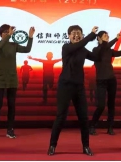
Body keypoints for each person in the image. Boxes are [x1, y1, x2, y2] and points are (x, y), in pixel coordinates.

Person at [48, 25, 100, 157]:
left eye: (79, 33)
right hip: (65, 85)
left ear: (82, 35)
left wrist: (102, 44)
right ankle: (52, 145)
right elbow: (78, 45)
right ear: (69, 36)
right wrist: (91, 35)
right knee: (61, 116)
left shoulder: (83, 49)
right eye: (74, 33)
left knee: (83, 117)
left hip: (79, 86)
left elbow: (96, 57)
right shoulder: (66, 47)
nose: (76, 35)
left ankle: (86, 146)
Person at [0, 25, 35, 139]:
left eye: (8, 31)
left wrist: (30, 37)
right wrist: (9, 35)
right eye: (5, 32)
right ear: (1, 34)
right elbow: (0, 45)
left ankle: (10, 130)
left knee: (11, 105)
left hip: (12, 79)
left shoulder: (13, 45)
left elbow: (27, 49)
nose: (7, 33)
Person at [89, 31, 121, 136]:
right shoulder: (96, 50)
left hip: (111, 80)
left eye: (108, 35)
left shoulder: (109, 50)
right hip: (101, 80)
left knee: (111, 104)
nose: (107, 37)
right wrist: (116, 39)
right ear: (98, 38)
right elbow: (103, 47)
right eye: (105, 36)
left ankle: (110, 127)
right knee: (101, 105)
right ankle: (92, 126)